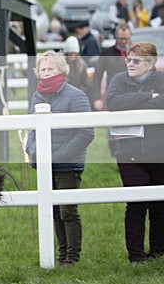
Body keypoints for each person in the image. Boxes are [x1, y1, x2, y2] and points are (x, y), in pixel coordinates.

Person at [26, 51, 94, 265]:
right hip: (44, 165)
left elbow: (86, 132)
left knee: (68, 211)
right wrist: (32, 151)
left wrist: (55, 157)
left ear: (62, 70)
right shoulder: (37, 96)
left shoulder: (76, 96)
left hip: (68, 164)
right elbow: (31, 129)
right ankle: (61, 254)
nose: (46, 73)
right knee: (53, 211)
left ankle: (72, 258)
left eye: (51, 68)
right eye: (43, 69)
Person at [105, 42, 164, 263]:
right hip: (129, 153)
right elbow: (112, 102)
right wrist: (148, 96)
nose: (130, 64)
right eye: (128, 59)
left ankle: (158, 251)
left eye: (136, 61)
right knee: (136, 204)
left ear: (150, 63)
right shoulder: (119, 80)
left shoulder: (162, 79)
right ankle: (136, 255)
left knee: (160, 206)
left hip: (159, 153)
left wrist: (133, 104)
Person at [92, 23, 132, 111]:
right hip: (113, 95)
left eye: (126, 38)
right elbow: (97, 77)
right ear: (116, 35)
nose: (124, 41)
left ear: (130, 35)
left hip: (133, 95)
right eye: (121, 39)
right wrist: (97, 98)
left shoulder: (137, 53)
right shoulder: (106, 53)